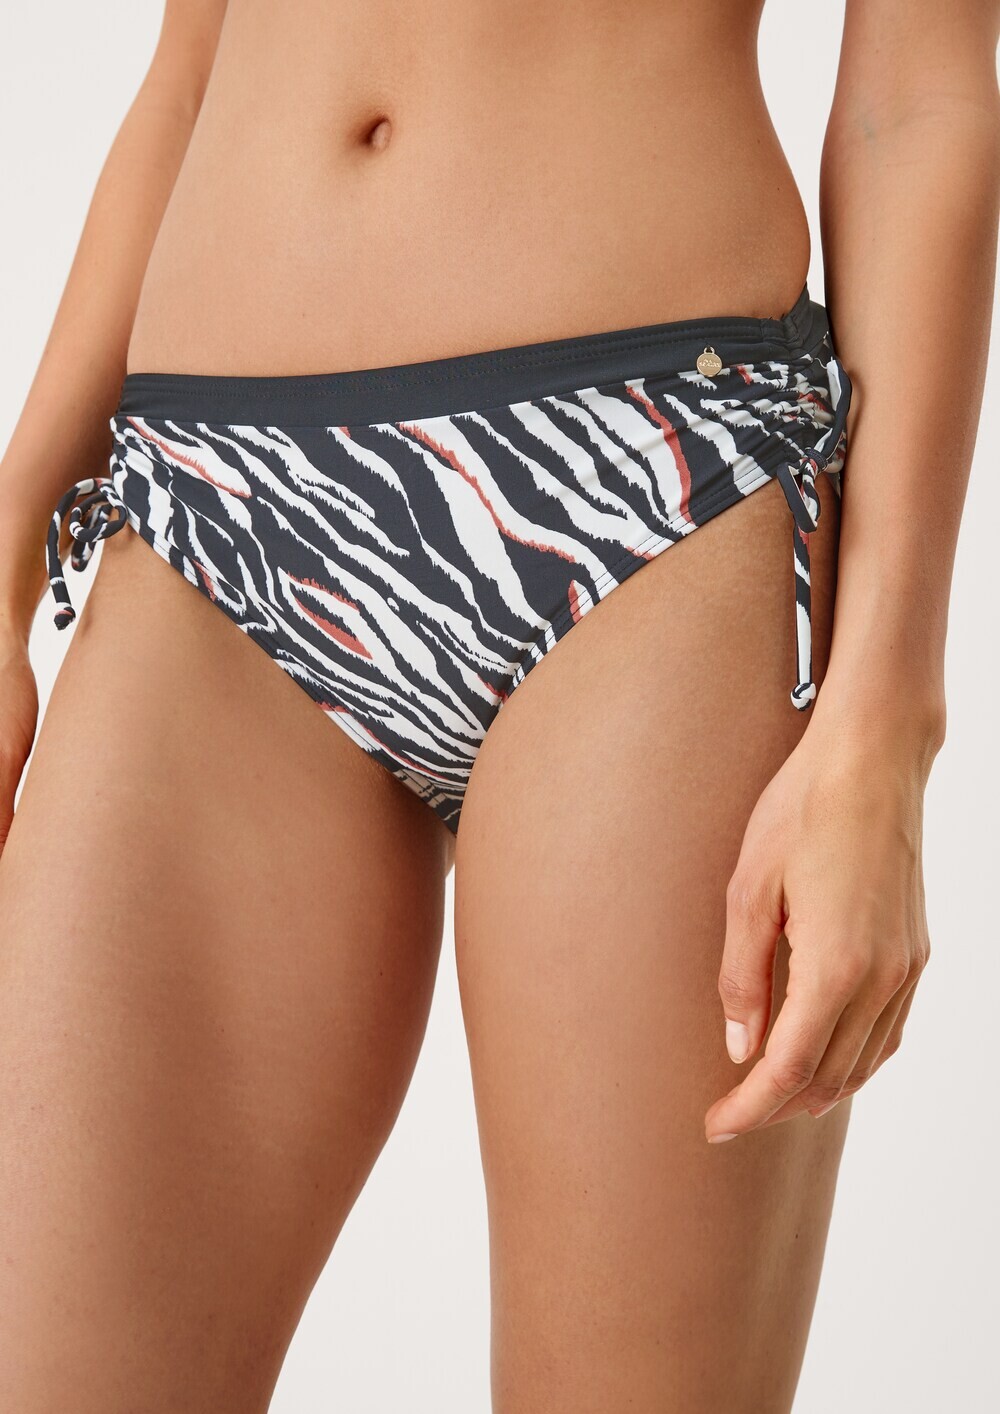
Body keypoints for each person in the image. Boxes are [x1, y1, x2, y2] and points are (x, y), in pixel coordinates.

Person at [0, 2, 996, 1409]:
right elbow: (190, 68)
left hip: (647, 485)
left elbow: (919, 98)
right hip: (207, 515)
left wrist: (887, 725)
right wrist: (6, 550)